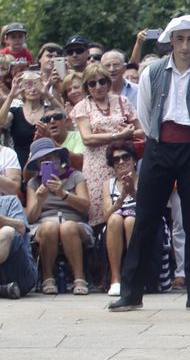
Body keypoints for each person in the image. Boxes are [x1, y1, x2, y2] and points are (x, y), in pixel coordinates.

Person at [106, 15, 190, 313]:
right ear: (171, 42)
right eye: (180, 39)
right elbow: (146, 111)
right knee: (146, 217)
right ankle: (131, 292)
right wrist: (158, 140)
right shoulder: (153, 72)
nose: (185, 45)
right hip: (159, 146)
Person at [72, 63, 141, 229]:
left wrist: (127, 134)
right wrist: (118, 135)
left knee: (129, 208)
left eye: (102, 81)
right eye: (92, 83)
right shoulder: (82, 106)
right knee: (101, 215)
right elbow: (87, 138)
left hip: (123, 161)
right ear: (86, 86)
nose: (98, 86)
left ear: (108, 82)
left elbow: (141, 131)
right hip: (97, 166)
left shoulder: (122, 101)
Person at [24, 138, 93, 295]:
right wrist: (40, 201)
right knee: (50, 227)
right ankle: (48, 278)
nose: (47, 162)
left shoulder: (76, 176)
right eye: (42, 161)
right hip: (43, 224)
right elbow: (30, 219)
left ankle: (79, 278)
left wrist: (63, 194)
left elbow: (85, 206)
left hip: (75, 222)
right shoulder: (34, 183)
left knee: (67, 227)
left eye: (50, 158)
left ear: (58, 157)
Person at [101, 141, 139, 297]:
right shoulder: (108, 184)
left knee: (130, 220)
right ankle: (115, 279)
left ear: (134, 160)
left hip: (141, 223)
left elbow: (151, 210)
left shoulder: (146, 179)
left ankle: (133, 276)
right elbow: (106, 216)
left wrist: (133, 192)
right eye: (116, 160)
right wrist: (121, 198)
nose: (121, 162)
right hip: (114, 224)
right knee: (115, 219)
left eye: (126, 157)